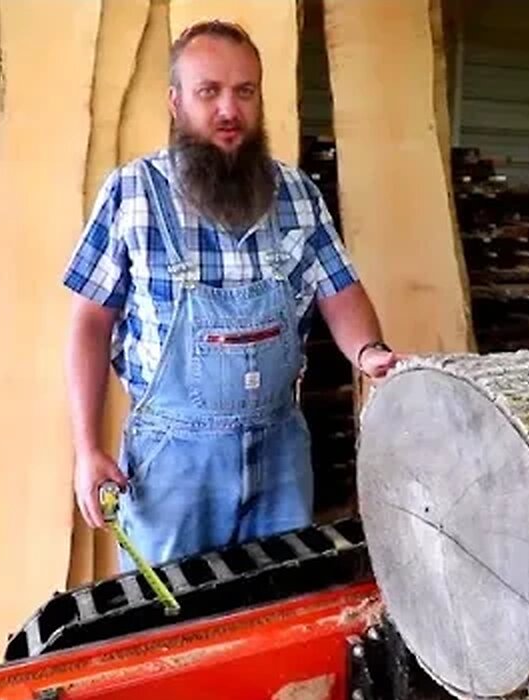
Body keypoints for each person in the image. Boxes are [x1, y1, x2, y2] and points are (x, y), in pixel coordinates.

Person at [62, 20, 398, 569]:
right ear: (175, 102)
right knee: (171, 629)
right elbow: (89, 325)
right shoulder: (132, 192)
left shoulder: (296, 193)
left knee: (278, 605)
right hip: (172, 465)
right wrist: (86, 447)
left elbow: (340, 290)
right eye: (208, 92)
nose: (229, 110)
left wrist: (368, 353)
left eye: (244, 91)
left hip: (280, 455)